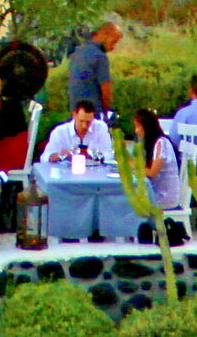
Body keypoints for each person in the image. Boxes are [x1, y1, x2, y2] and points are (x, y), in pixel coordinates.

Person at [131, 107, 190, 245]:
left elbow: (152, 172)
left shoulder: (161, 143)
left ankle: (134, 232)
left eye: (138, 127)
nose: (136, 131)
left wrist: (134, 166)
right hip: (157, 190)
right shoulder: (152, 143)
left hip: (165, 196)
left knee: (129, 199)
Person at [67, 21, 120, 119]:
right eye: (113, 42)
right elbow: (106, 93)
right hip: (93, 115)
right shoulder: (100, 57)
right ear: (104, 35)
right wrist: (107, 112)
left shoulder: (77, 53)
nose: (113, 48)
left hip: (76, 114)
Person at [40, 100, 114, 164]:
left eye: (88, 122)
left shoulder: (101, 127)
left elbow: (109, 155)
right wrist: (64, 154)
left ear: (93, 118)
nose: (84, 126)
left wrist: (92, 155)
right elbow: (44, 158)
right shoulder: (60, 132)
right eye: (81, 121)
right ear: (74, 115)